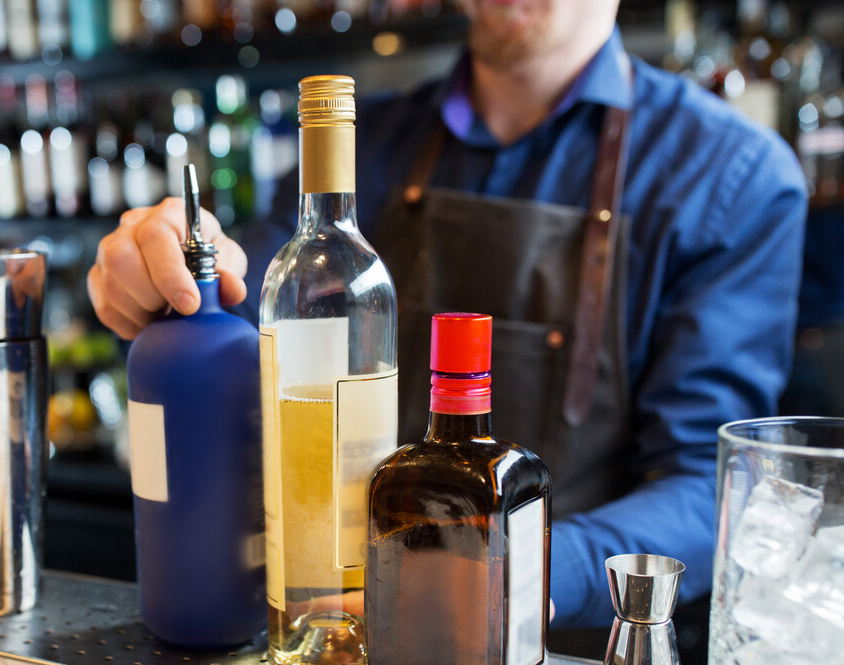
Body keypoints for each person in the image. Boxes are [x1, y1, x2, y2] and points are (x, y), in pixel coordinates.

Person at [86, 0, 807, 631]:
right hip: (344, 640)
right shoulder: (364, 145)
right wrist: (174, 270)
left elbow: (709, 486)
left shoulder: (733, 178)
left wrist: (519, 573)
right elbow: (247, 312)